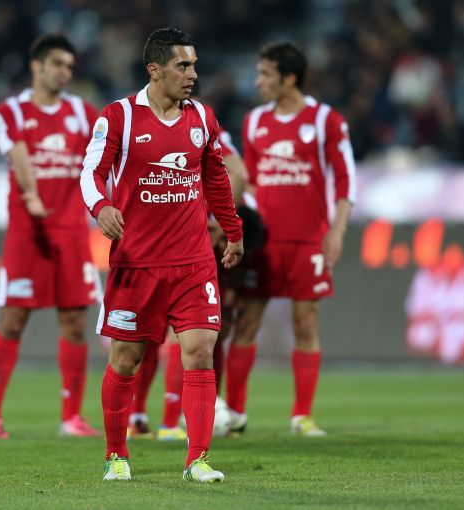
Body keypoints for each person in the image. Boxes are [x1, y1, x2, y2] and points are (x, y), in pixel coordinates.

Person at [80, 28, 243, 482]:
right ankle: (116, 455)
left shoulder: (202, 118)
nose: (192, 75)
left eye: (194, 66)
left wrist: (233, 231)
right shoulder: (119, 116)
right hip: (137, 262)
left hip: (193, 260)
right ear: (155, 70)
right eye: (182, 66)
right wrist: (102, 206)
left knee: (200, 351)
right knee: (125, 360)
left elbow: (216, 178)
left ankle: (198, 460)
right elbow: (90, 172)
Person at [226, 42, 356, 437]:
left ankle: (302, 416)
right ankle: (235, 414)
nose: (258, 82)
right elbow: (248, 181)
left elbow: (345, 179)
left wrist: (337, 231)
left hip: (308, 240)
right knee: (246, 320)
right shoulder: (254, 122)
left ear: (289, 78)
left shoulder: (325, 120)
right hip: (264, 243)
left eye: (265, 74)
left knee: (306, 322)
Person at [0, 34, 101, 439]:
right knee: (13, 320)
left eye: (70, 66)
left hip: (71, 231)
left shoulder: (83, 114)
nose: (65, 72)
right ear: (37, 67)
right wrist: (31, 193)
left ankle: (71, 417)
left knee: (75, 323)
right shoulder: (10, 111)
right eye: (58, 64)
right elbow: (17, 152)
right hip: (27, 232)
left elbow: (102, 160)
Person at [124, 129, 250, 443]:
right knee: (191, 333)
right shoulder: (201, 130)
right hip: (185, 242)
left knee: (155, 333)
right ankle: (169, 422)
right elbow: (240, 175)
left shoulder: (161, 127)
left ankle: (140, 417)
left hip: (153, 240)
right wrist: (218, 219)